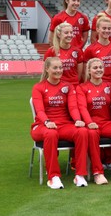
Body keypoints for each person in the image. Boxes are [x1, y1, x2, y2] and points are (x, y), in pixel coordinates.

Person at [30, 57, 89, 189]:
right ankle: (53, 177)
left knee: (82, 131)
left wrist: (77, 120)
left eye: (60, 68)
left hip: (63, 125)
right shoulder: (38, 87)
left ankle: (80, 175)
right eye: (55, 68)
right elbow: (39, 110)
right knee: (50, 134)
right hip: (42, 126)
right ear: (47, 69)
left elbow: (73, 107)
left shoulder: (67, 86)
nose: (58, 70)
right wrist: (47, 121)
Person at [77, 58, 111, 184]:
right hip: (92, 124)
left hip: (107, 123)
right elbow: (82, 107)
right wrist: (89, 122)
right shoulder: (81, 88)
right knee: (91, 134)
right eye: (95, 68)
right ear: (89, 71)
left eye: (100, 67)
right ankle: (98, 173)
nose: (98, 70)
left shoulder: (110, 86)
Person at [84, 13, 111, 88]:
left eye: (109, 28)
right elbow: (86, 72)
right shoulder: (90, 49)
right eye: (104, 28)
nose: (107, 31)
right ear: (98, 29)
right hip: (98, 84)